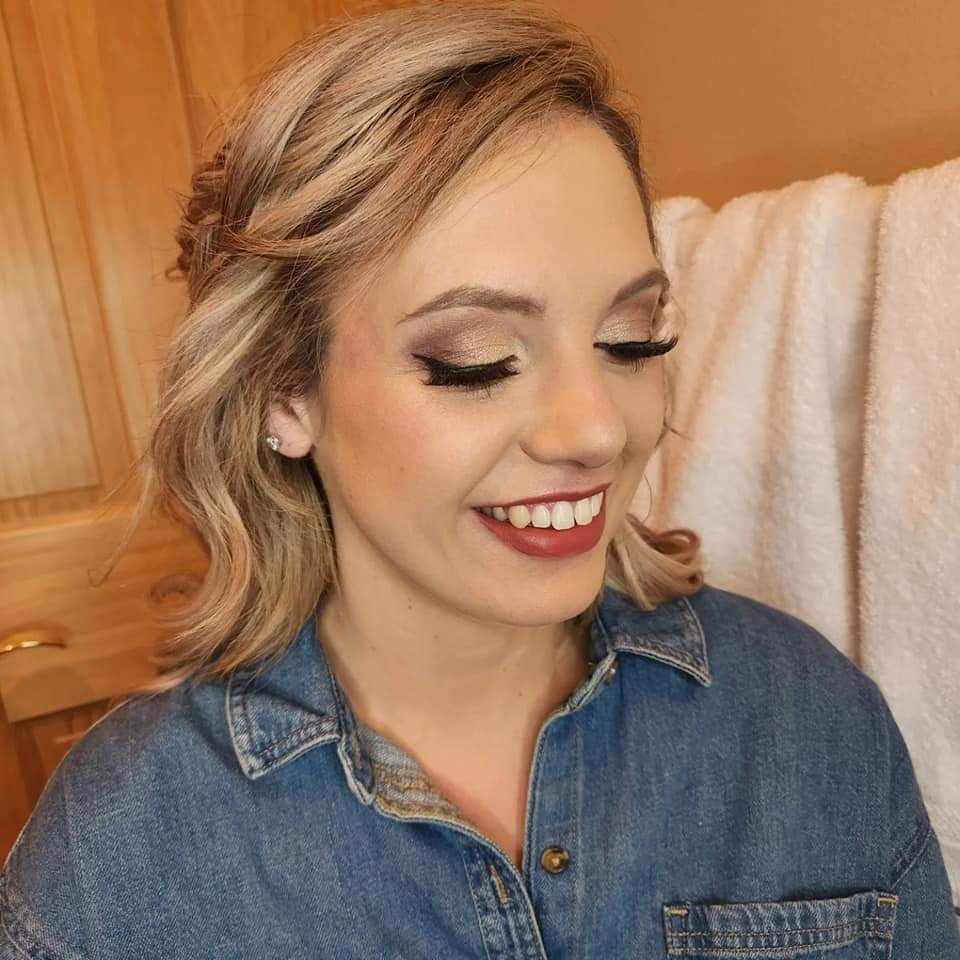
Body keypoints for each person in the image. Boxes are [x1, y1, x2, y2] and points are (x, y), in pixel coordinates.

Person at [2, 1, 957, 957]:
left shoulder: (809, 722)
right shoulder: (111, 862)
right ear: (283, 390)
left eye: (633, 340)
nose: (597, 430)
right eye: (476, 359)